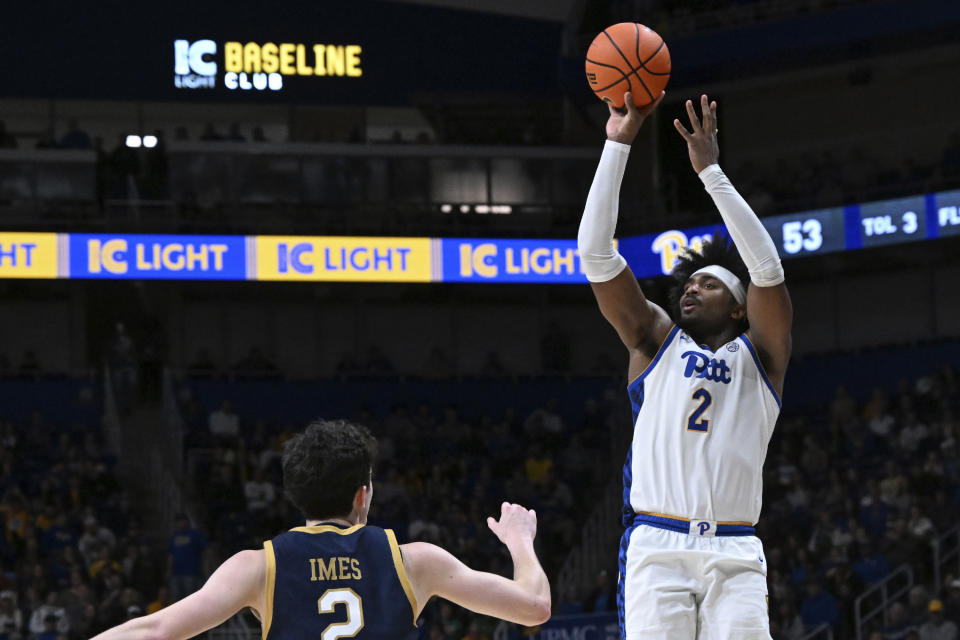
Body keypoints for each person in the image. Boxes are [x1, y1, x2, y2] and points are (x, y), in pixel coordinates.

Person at [577, 91, 792, 640]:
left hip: (736, 547)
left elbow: (766, 269)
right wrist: (617, 144)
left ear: (739, 307)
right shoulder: (655, 341)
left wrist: (712, 173)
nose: (693, 286)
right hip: (659, 543)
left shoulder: (761, 357)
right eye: (690, 282)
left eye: (711, 283)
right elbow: (596, 255)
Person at [91, 420, 551, 639]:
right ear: (361, 495)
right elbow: (534, 609)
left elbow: (155, 631)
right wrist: (520, 543)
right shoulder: (416, 560)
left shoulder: (257, 567)